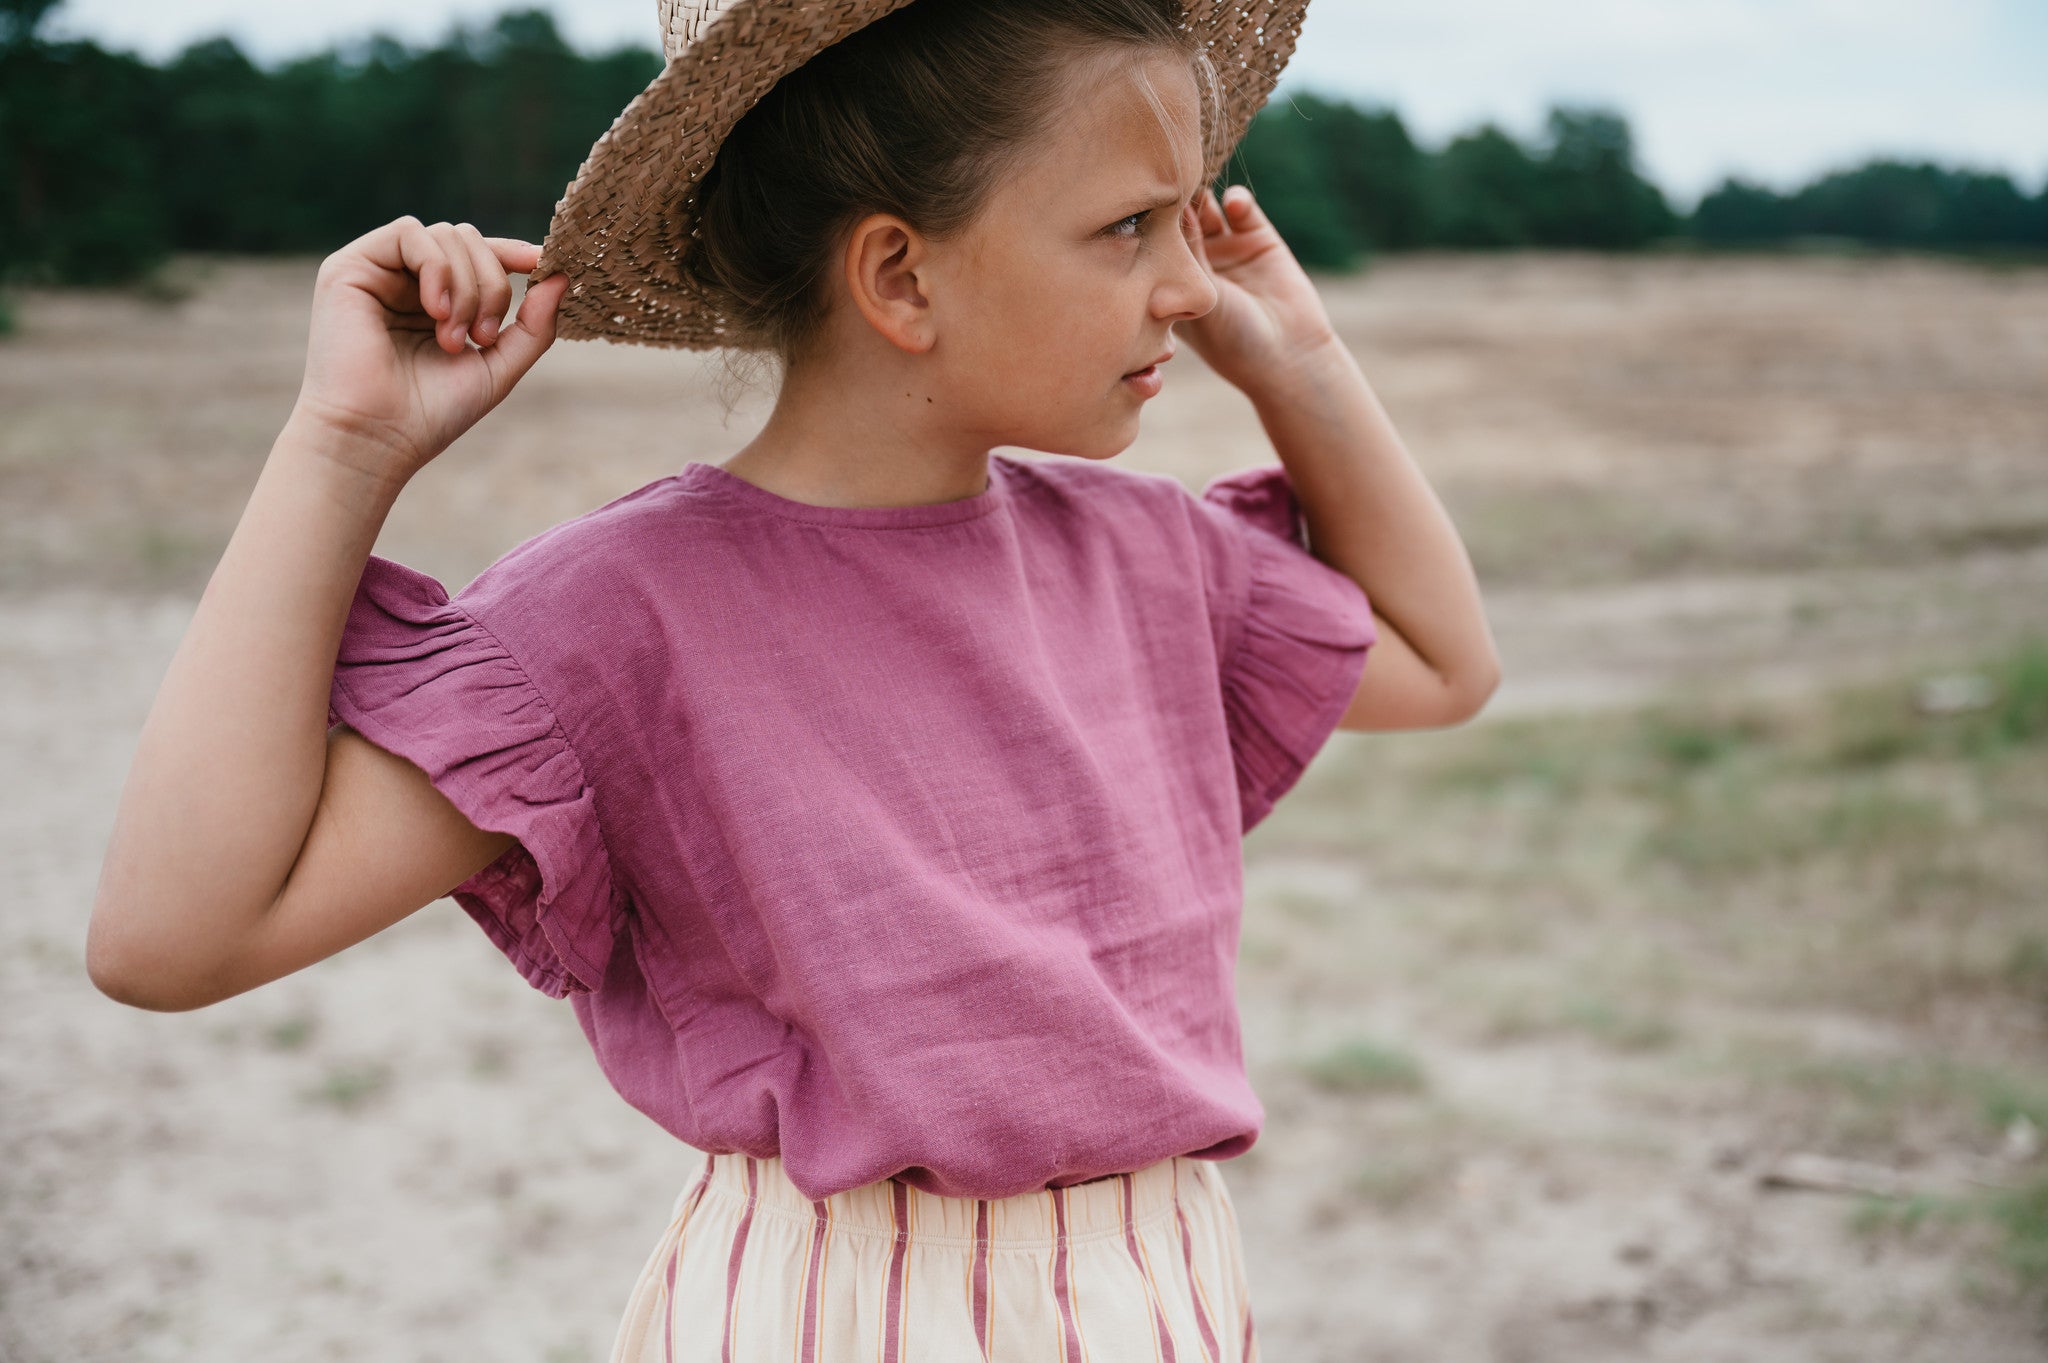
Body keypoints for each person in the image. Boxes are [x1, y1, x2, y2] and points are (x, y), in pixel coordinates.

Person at [87, 0, 1500, 1358]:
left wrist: (1301, 360)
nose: (1192, 287)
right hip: (839, 1315)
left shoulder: (1150, 555)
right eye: (1129, 227)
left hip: (1165, 1289)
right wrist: (344, 447)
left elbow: (1443, 663)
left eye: (1189, 218)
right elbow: (173, 940)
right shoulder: (624, 615)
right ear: (899, 276)